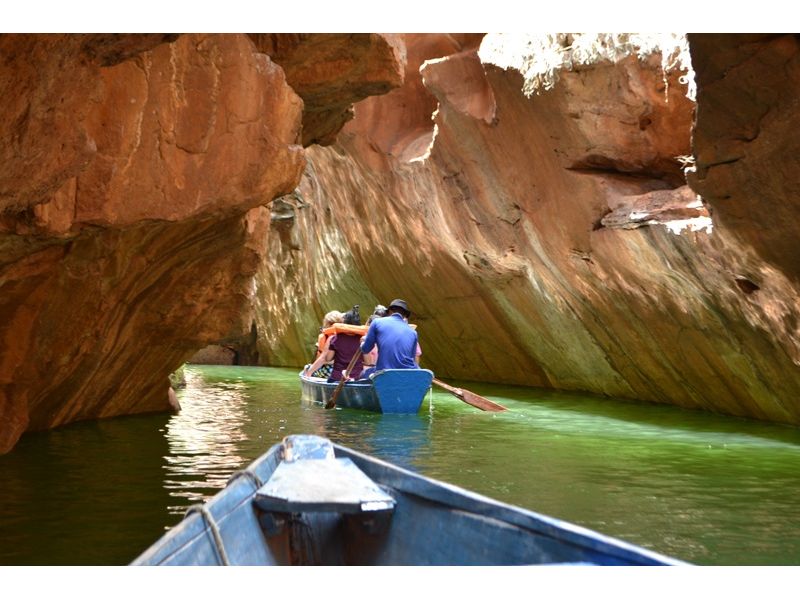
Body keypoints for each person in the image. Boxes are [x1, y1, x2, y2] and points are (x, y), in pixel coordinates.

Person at [360, 299, 420, 379]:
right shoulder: (413, 332)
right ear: (404, 315)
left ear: (390, 311)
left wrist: (362, 344)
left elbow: (365, 349)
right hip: (406, 374)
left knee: (363, 374)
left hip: (384, 372)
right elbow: (412, 358)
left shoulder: (376, 322)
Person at [304, 305, 366, 382]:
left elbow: (327, 358)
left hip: (337, 378)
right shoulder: (364, 339)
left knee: (307, 368)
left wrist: (309, 372)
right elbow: (368, 361)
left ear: (344, 323)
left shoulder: (334, 338)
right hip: (357, 378)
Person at [310, 310, 344, 379]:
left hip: (330, 372)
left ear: (327, 324)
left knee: (307, 368)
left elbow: (321, 360)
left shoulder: (326, 337)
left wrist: (309, 372)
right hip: (347, 372)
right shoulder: (348, 336)